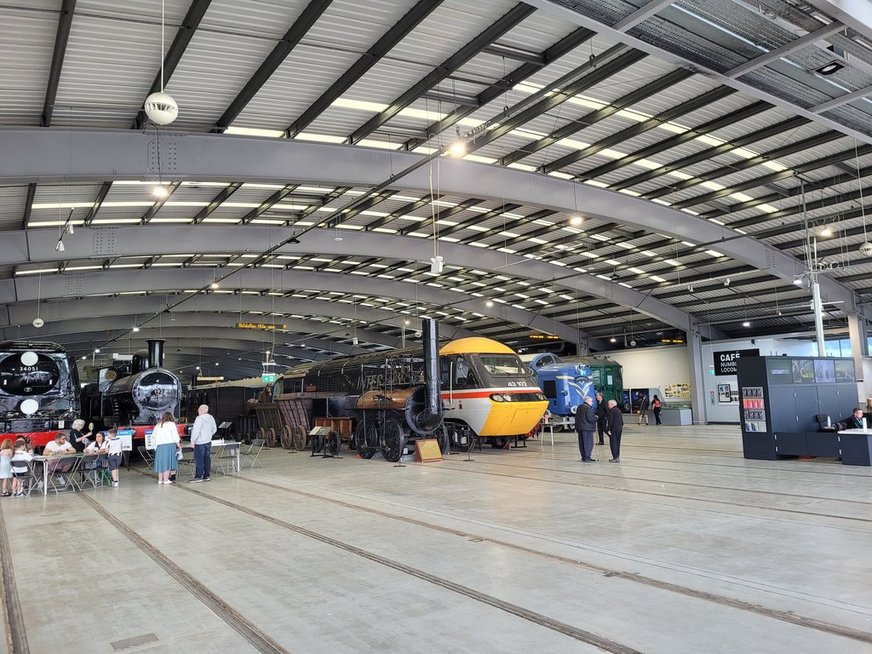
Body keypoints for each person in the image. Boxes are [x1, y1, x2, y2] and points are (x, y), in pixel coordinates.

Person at [189, 404, 217, 483]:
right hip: (208, 442)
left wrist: (192, 441)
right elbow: (214, 429)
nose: (198, 411)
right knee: (207, 459)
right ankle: (206, 475)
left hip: (199, 443)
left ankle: (198, 476)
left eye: (199, 409)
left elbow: (195, 431)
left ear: (201, 410)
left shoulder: (199, 419)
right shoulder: (211, 417)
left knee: (199, 460)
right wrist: (208, 435)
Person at [152, 412, 181, 485]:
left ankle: (160, 480)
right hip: (169, 446)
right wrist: (179, 446)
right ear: (171, 417)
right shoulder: (171, 424)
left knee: (161, 463)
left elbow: (153, 436)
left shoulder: (158, 425)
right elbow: (175, 436)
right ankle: (166, 480)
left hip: (159, 446)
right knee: (167, 463)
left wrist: (155, 446)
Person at [574, 396, 598, 462]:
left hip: (580, 427)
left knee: (582, 443)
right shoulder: (588, 408)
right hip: (587, 428)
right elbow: (590, 418)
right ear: (588, 401)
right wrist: (596, 418)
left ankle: (584, 457)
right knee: (588, 443)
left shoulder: (579, 407)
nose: (592, 403)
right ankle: (587, 457)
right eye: (591, 401)